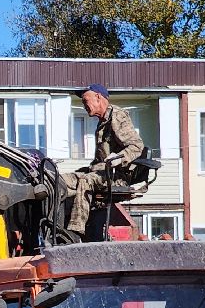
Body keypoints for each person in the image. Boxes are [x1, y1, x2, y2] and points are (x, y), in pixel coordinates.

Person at [62, 84, 145, 239]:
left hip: (117, 176)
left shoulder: (117, 116)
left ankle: (76, 230)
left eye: (85, 100)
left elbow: (136, 146)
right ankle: (58, 224)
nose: (84, 105)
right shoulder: (102, 122)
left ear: (98, 97)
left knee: (86, 181)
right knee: (60, 181)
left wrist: (118, 159)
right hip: (100, 172)